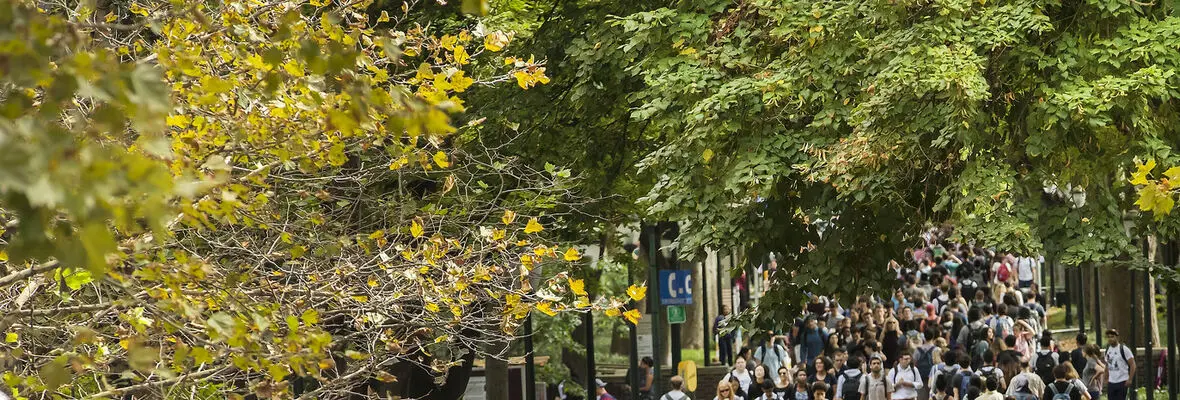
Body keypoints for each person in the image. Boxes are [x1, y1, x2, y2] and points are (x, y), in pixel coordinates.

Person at [1104, 329, 1135, 400]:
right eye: (1108, 337)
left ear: (1117, 337)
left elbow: (1133, 364)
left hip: (1122, 381)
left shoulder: (1124, 349)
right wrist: (1106, 377)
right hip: (1111, 382)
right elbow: (1107, 364)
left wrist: (1130, 379)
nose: (1110, 339)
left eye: (1112, 337)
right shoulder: (1107, 350)